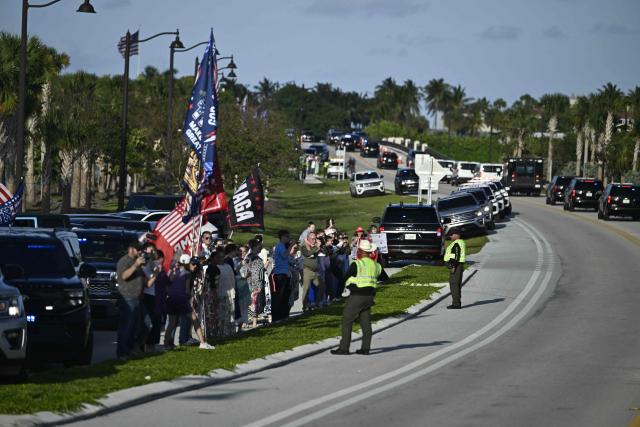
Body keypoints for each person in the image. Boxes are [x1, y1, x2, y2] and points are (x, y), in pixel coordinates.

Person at [331, 240, 388, 356]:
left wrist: (340, 292)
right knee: (366, 323)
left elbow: (344, 277)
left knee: (347, 320)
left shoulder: (357, 264)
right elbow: (385, 278)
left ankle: (344, 348)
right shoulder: (376, 265)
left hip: (357, 296)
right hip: (369, 297)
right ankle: (365, 348)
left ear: (361, 251)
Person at [116, 241, 147, 360]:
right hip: (127, 298)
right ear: (132, 249)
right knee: (126, 327)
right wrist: (135, 265)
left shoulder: (136, 261)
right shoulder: (125, 261)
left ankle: (131, 350)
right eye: (138, 250)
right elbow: (124, 276)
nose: (140, 252)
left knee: (141, 326)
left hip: (137, 298)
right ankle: (122, 353)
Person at [141, 242, 162, 351]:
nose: (153, 253)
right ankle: (144, 346)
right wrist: (156, 274)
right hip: (147, 296)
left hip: (155, 296)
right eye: (151, 250)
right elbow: (148, 284)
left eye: (154, 250)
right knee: (148, 323)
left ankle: (152, 346)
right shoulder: (143, 266)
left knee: (156, 322)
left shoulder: (152, 263)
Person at [271, 230, 294, 321]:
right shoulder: (279, 246)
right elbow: (284, 256)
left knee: (285, 296)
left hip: (285, 273)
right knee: (280, 296)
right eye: (287, 237)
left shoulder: (283, 246)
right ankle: (278, 316)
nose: (288, 239)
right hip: (280, 274)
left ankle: (284, 315)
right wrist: (291, 245)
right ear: (282, 237)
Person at [244, 239, 266, 328]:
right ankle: (248, 321)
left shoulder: (257, 259)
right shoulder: (249, 258)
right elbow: (246, 270)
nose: (259, 249)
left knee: (255, 302)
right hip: (250, 282)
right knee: (250, 303)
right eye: (258, 248)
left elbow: (261, 273)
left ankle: (254, 322)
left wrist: (261, 283)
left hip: (257, 283)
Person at [300, 231, 323, 311]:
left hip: (315, 271)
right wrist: (316, 248)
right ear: (307, 239)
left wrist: (316, 247)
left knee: (322, 286)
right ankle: (305, 307)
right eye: (312, 239)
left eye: (314, 239)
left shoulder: (314, 246)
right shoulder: (304, 245)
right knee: (306, 289)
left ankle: (316, 304)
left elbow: (315, 253)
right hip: (307, 270)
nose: (313, 240)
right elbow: (307, 253)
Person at [444, 231, 466, 309]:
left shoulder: (457, 243)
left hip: (456, 266)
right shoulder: (458, 243)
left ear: (456, 235)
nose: (450, 237)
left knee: (454, 284)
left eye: (451, 235)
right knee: (456, 284)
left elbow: (456, 256)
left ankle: (456, 304)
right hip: (457, 265)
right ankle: (456, 303)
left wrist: (452, 266)